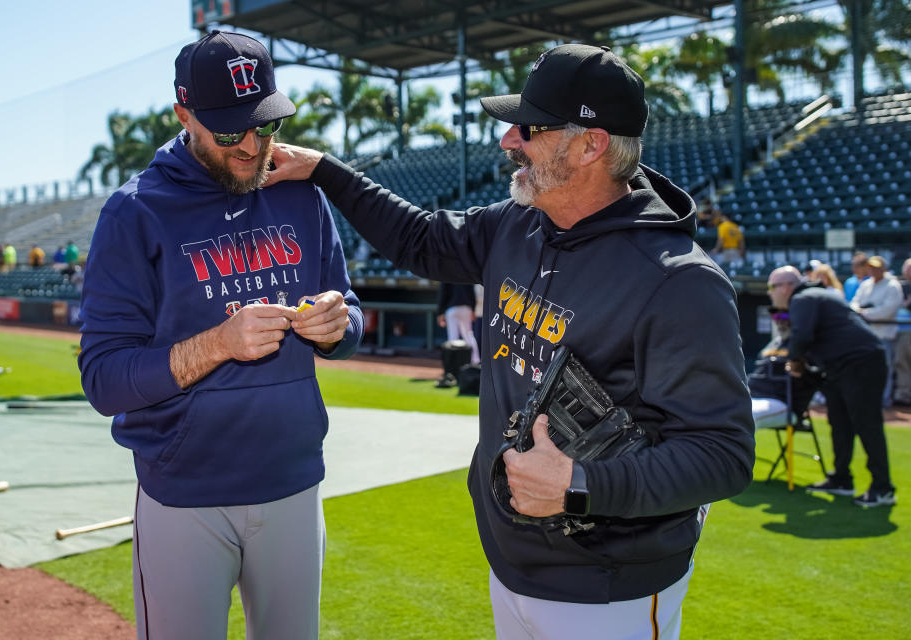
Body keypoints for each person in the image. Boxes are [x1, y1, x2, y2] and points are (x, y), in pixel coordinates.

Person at [267, 44, 754, 639]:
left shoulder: (679, 282)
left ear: (590, 144)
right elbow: (419, 238)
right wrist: (324, 168)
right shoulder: (517, 223)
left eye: (529, 127)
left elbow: (723, 456)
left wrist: (581, 486)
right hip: (510, 558)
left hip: (609, 589)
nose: (508, 140)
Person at [77, 30, 363, 640]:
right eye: (230, 131)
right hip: (185, 495)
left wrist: (341, 324)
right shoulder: (134, 212)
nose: (252, 147)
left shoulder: (302, 195)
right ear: (184, 116)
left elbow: (352, 310)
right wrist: (218, 343)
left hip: (293, 482)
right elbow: (103, 379)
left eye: (265, 125)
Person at [766, 266, 896, 507]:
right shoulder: (815, 295)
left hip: (861, 362)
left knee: (867, 423)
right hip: (840, 366)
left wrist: (795, 363)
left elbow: (802, 336)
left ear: (785, 286)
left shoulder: (803, 298)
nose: (770, 293)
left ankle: (883, 487)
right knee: (839, 421)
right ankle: (841, 479)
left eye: (772, 287)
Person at [851, 255, 904, 407]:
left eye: (876, 267)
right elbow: (854, 303)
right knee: (865, 369)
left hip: (884, 334)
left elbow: (888, 310)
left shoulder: (892, 285)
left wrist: (865, 313)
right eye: (870, 267)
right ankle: (868, 399)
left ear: (883, 268)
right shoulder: (866, 284)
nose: (872, 270)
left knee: (884, 368)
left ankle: (883, 400)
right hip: (865, 334)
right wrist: (860, 311)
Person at [436, 281, 481, 364]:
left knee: (453, 337)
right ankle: (475, 360)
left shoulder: (446, 273)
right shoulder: (465, 272)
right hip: (465, 308)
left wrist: (440, 312)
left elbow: (443, 293)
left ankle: (452, 364)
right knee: (468, 335)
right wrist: (473, 309)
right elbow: (471, 293)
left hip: (452, 309)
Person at [890, 257, 911, 406]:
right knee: (900, 362)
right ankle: (903, 395)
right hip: (899, 330)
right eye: (907, 269)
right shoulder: (899, 286)